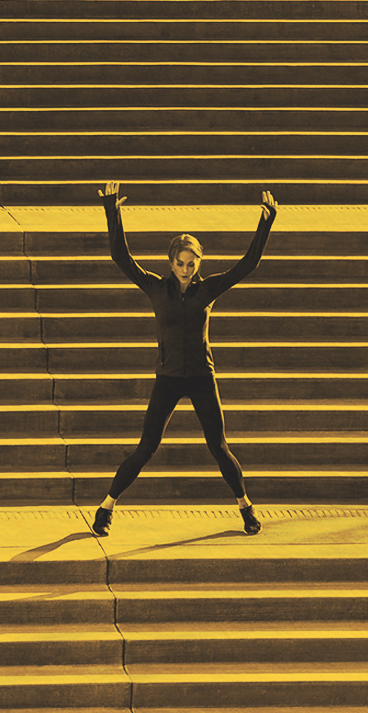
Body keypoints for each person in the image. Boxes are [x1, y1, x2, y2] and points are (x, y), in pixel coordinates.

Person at [91, 181, 278, 537]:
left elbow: (248, 264)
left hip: (201, 377)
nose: (187, 268)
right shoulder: (156, 288)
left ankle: (246, 509)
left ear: (199, 263)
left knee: (219, 447)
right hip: (168, 378)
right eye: (181, 263)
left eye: (192, 263)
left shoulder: (208, 289)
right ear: (171, 262)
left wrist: (265, 221)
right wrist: (112, 210)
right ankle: (106, 508)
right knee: (146, 448)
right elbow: (121, 258)